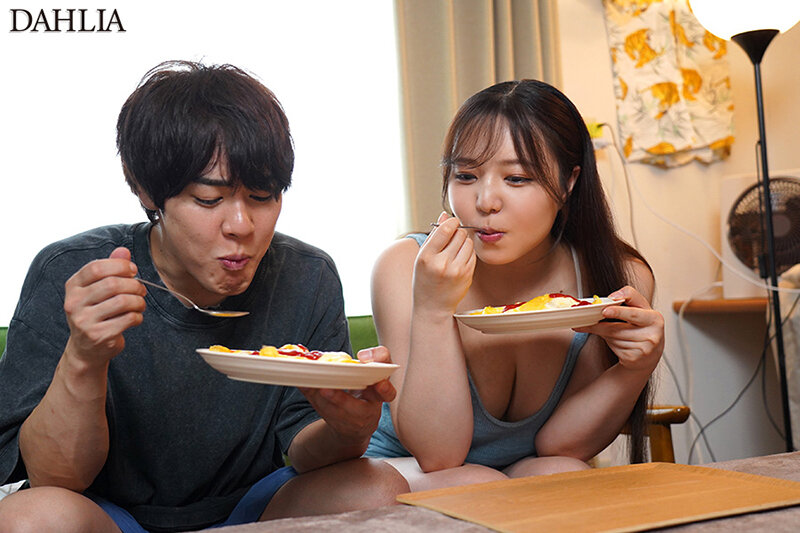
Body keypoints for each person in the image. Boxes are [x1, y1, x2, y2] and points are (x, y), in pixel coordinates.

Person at [0, 60, 406, 532]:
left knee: (378, 488)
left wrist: (349, 429)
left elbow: (303, 447)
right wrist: (84, 357)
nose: (241, 226)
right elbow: (54, 478)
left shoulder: (306, 277)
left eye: (262, 196)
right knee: (30, 519)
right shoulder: (74, 275)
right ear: (146, 190)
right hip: (110, 517)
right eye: (209, 200)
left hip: (250, 513)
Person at [364, 79, 664, 491]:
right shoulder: (404, 266)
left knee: (563, 476)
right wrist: (433, 309)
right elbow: (439, 456)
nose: (486, 201)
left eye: (517, 178)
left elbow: (561, 447)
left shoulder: (613, 276)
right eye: (466, 175)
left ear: (569, 181)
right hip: (403, 470)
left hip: (513, 476)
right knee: (476, 483)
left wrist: (636, 368)